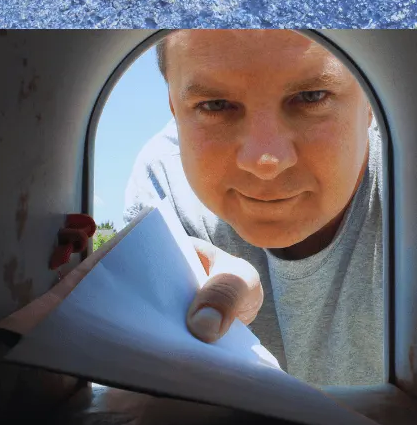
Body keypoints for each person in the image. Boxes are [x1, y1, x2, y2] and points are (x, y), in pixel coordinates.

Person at [124, 29, 384, 387]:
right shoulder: (164, 185)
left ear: (372, 97)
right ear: (174, 107)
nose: (266, 161)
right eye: (215, 105)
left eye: (311, 97)